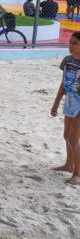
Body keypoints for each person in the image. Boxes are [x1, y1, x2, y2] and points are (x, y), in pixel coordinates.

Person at [51, 32, 80, 185]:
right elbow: (63, 83)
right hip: (70, 100)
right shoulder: (67, 61)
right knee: (66, 135)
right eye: (70, 42)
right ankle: (69, 165)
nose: (70, 45)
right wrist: (56, 103)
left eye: (75, 43)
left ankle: (77, 174)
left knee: (73, 138)